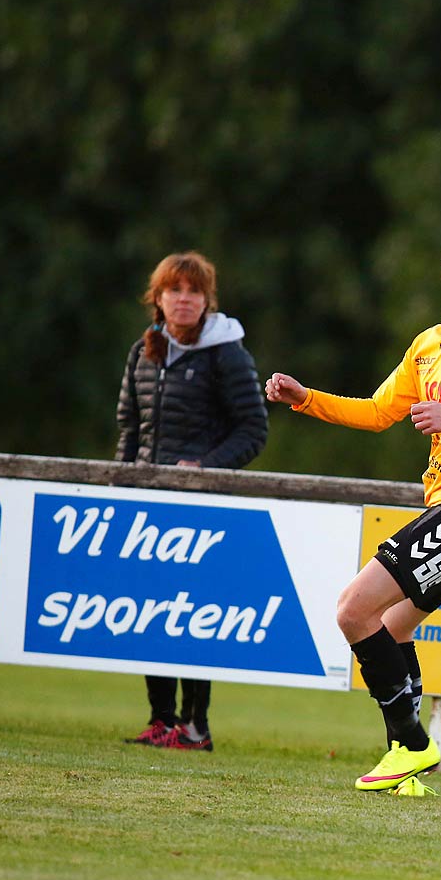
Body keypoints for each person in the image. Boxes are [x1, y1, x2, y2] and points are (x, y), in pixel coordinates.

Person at [265, 225, 441, 797]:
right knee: (389, 630)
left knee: (351, 609)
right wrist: (306, 399)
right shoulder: (428, 345)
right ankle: (410, 767)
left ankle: (411, 746)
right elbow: (375, 412)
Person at [117, 252, 269, 753]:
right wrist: (122, 482)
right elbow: (129, 428)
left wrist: (203, 468)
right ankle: (161, 720)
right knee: (148, 612)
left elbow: (253, 430)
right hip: (147, 504)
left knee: (191, 617)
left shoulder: (227, 353)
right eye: (174, 290)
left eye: (194, 291)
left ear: (207, 300)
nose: (184, 299)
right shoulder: (145, 351)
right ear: (157, 298)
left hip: (200, 508)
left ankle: (195, 727)